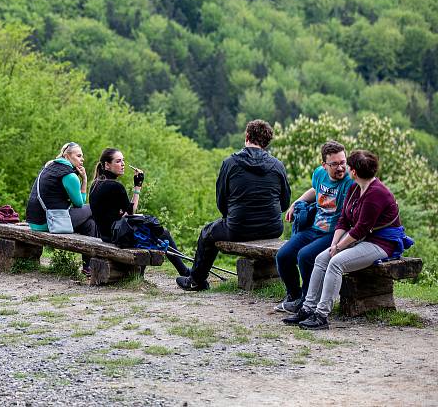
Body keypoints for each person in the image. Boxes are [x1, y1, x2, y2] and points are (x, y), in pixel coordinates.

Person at [284, 150, 411, 330]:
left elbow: (360, 229)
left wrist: (339, 247)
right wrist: (335, 244)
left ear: (353, 172)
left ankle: (321, 315)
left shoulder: (377, 194)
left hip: (381, 243)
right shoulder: (355, 188)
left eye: (348, 166)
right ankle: (307, 308)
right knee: (321, 258)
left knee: (336, 263)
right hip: (361, 238)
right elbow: (344, 220)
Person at [176, 120, 291, 291]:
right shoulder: (278, 165)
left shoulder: (230, 163)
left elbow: (221, 201)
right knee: (212, 230)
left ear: (246, 136)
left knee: (207, 232)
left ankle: (196, 280)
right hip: (272, 228)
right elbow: (285, 203)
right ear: (267, 142)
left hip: (239, 228)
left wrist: (231, 217)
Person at [274, 141, 353, 313]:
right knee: (283, 256)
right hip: (314, 228)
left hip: (333, 234)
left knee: (305, 256)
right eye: (334, 164)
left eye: (343, 162)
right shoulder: (319, 174)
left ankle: (307, 300)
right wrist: (297, 202)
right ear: (324, 165)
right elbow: (315, 190)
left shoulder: (349, 182)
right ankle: (294, 297)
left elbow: (349, 217)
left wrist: (338, 243)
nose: (340, 168)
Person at [89, 148, 190, 276]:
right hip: (117, 236)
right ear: (107, 165)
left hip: (105, 235)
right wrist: (137, 187)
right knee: (162, 233)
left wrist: (123, 213)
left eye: (123, 161)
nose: (123, 164)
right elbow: (131, 212)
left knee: (150, 231)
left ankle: (140, 274)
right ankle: (184, 271)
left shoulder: (96, 184)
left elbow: (117, 213)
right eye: (118, 161)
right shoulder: (115, 186)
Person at [25, 142, 98, 272]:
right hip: (48, 222)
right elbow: (79, 203)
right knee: (93, 208)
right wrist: (85, 180)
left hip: (34, 221)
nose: (82, 159)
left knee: (90, 224)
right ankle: (98, 257)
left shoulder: (49, 166)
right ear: (67, 156)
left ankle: (88, 267)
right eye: (79, 156)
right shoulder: (70, 176)